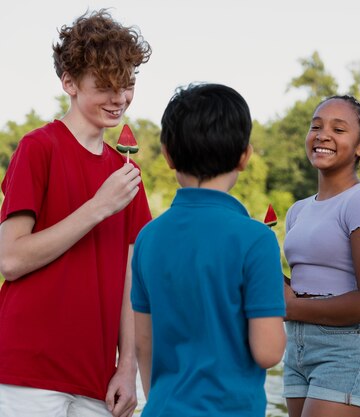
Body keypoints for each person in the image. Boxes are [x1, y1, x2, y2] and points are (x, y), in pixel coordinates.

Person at [0, 9, 151, 417]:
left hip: (98, 379)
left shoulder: (127, 174)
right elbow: (10, 260)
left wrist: (127, 367)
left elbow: (130, 280)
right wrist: (98, 207)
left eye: (127, 84)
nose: (119, 98)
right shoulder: (39, 147)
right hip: (26, 370)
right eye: (105, 85)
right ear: (69, 82)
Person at [131, 83, 286, 416]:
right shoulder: (256, 239)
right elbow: (268, 351)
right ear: (245, 156)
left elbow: (143, 343)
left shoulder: (148, 237)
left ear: (168, 154)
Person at [282, 95, 360, 417]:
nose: (322, 134)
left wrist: (292, 307)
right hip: (297, 348)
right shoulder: (298, 210)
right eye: (315, 126)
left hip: (344, 351)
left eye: (338, 129)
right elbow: (306, 284)